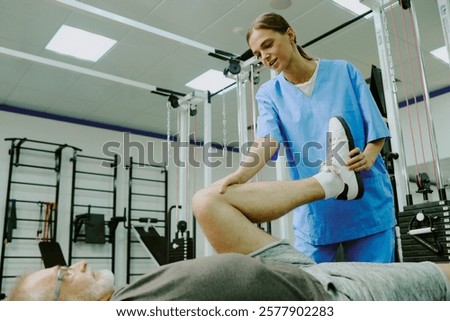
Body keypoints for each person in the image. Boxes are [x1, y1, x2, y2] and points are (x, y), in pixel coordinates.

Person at [5, 117, 450, 301]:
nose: (76, 263)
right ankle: (333, 181)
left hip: (281, 266)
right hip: (316, 295)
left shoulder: (124, 300)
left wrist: (239, 174)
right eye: (63, 276)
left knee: (207, 200)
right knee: (439, 278)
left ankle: (333, 181)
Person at [199, 12, 396, 263]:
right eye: (258, 54)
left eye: (267, 45)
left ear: (290, 34)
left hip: (367, 206)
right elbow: (267, 141)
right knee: (308, 291)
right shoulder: (270, 94)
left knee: (373, 293)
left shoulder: (343, 71)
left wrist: (368, 157)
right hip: (317, 214)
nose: (264, 56)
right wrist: (240, 175)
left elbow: (375, 127)